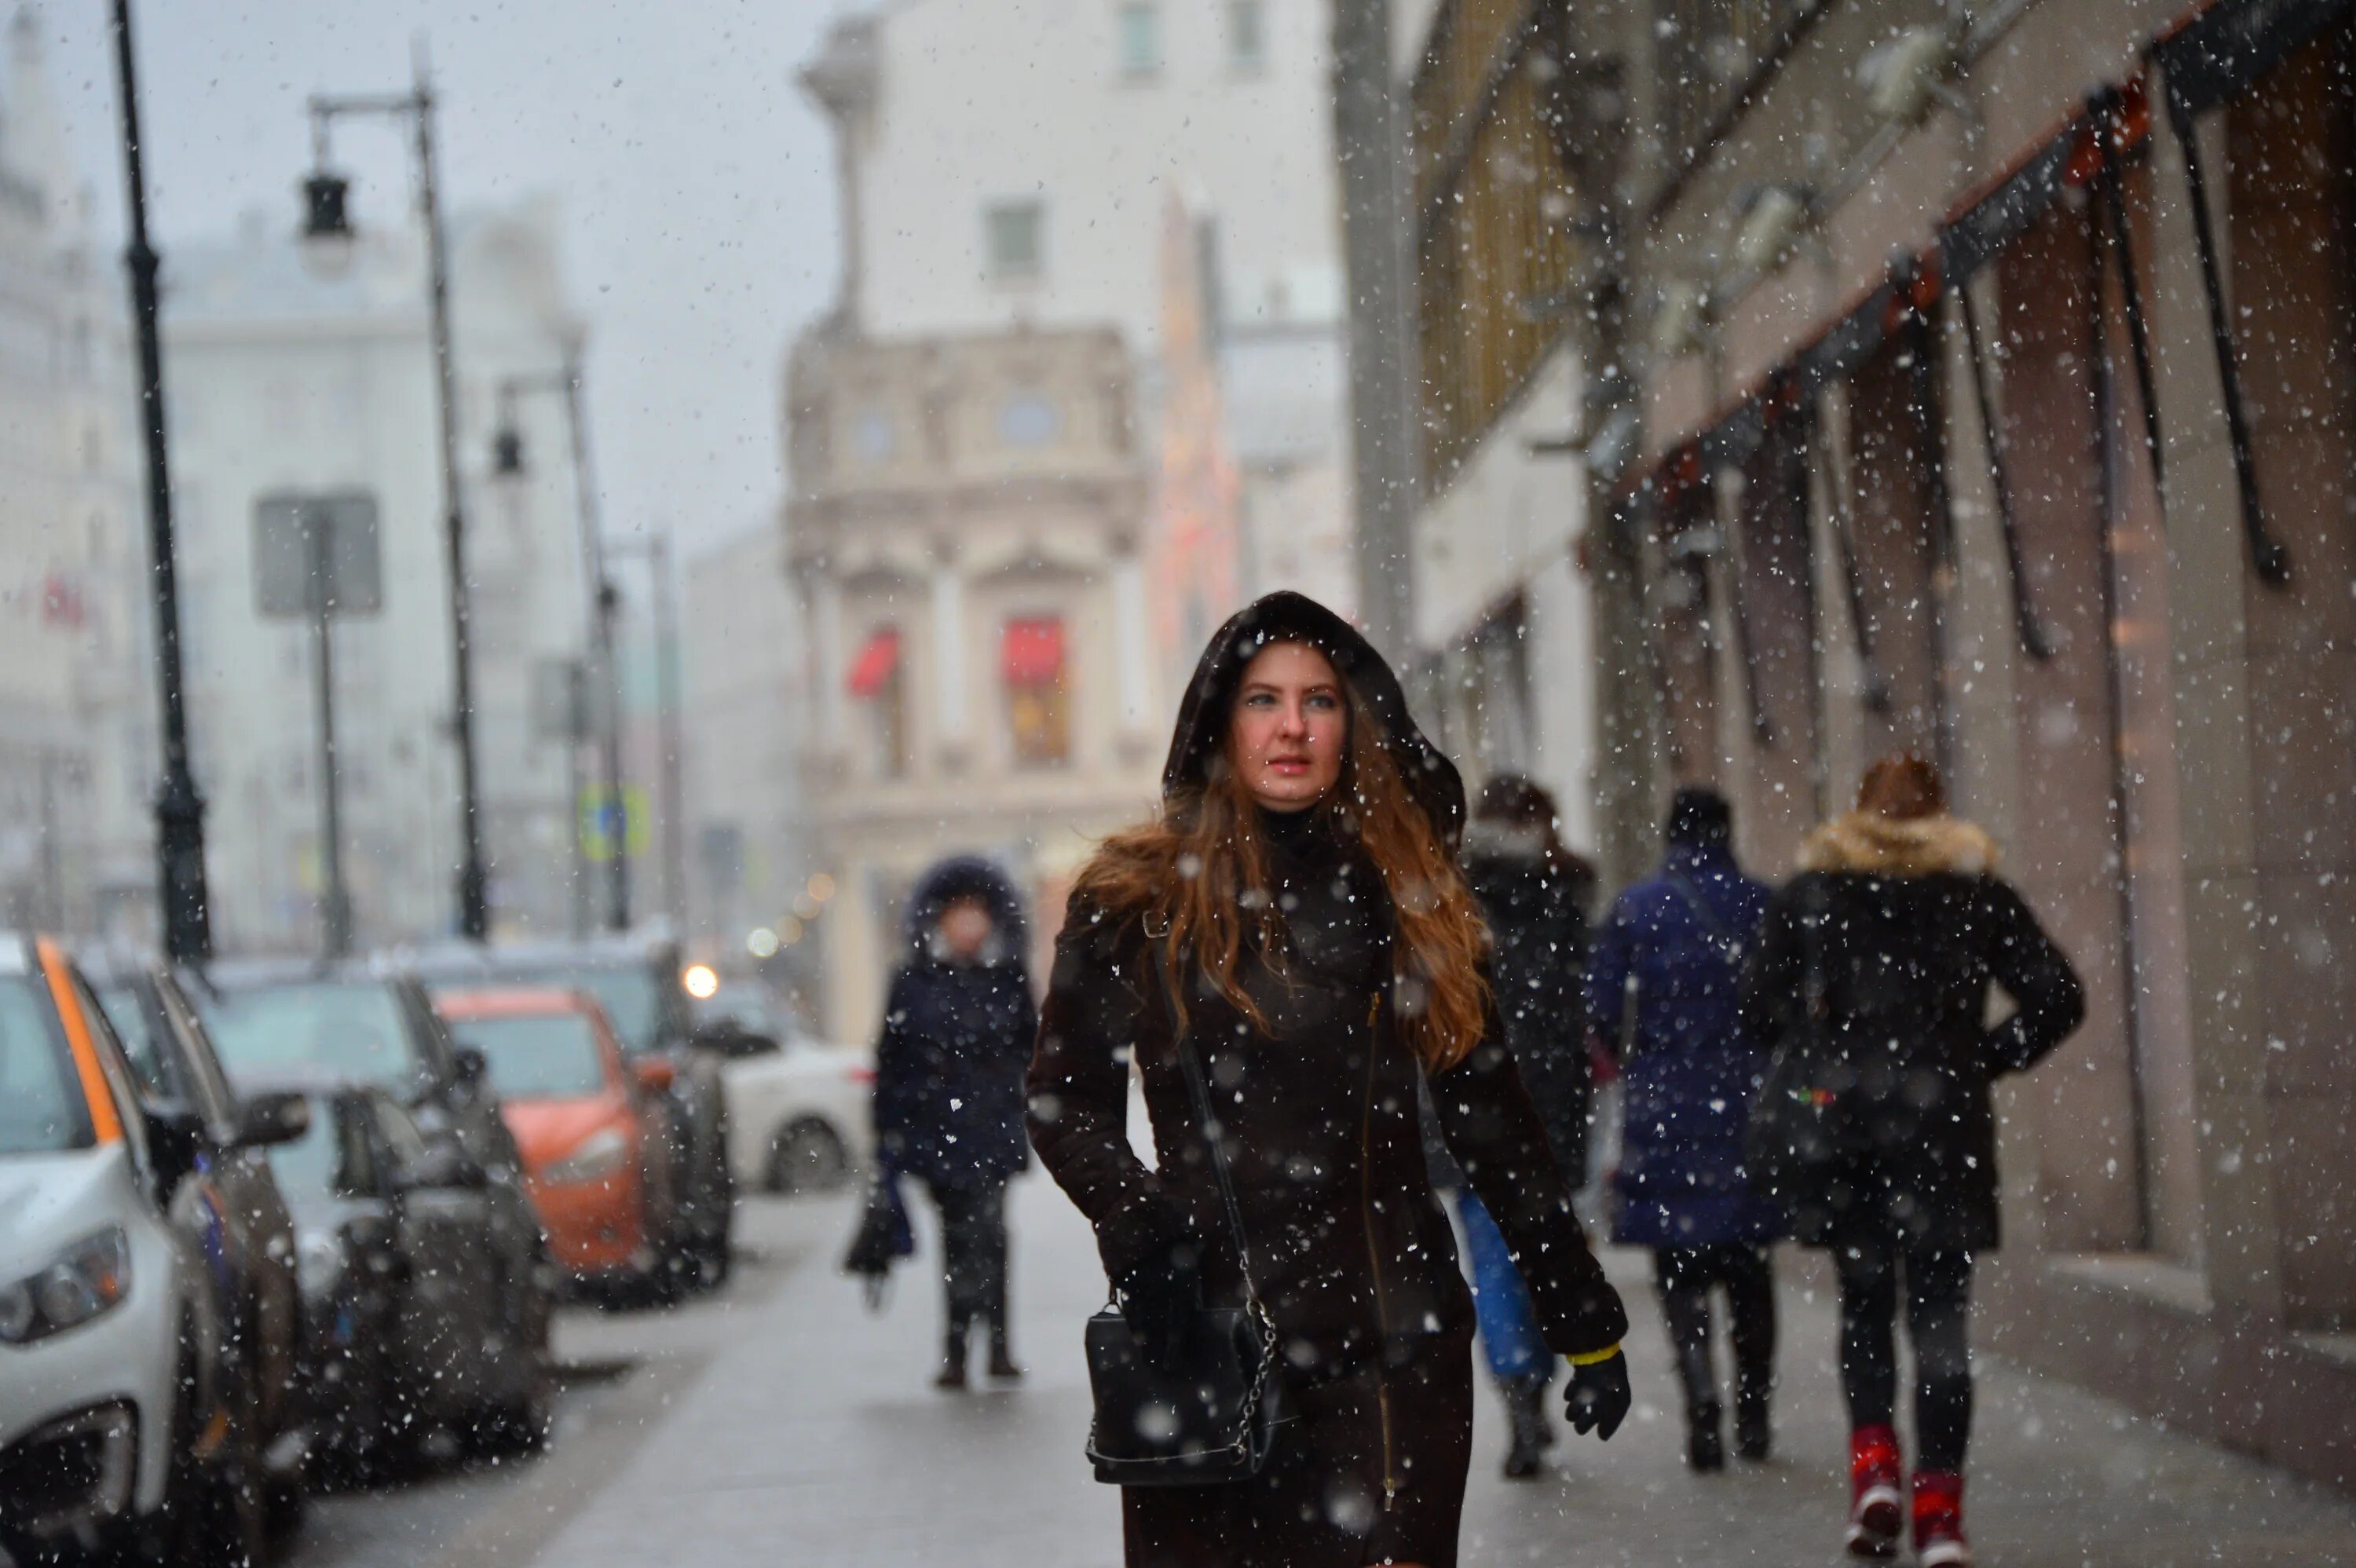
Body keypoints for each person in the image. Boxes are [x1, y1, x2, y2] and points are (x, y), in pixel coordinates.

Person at [1029, 591, 1630, 1568]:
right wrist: (1142, 1227)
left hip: (1392, 1353)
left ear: (1358, 719)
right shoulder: (1134, 897)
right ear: (1222, 719)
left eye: (1320, 700)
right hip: (1206, 1350)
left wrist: (1585, 1321)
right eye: (1265, 699)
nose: (1294, 727)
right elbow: (1064, 1107)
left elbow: (1493, 1123)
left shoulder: (1411, 893)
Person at [1740, 756, 2083, 1567]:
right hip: (1944, 1130)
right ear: (1941, 813)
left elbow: (1758, 1008)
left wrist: (1824, 1049)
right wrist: (1982, 1058)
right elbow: (2060, 995)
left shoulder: (1815, 891)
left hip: (1847, 1133)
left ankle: (1875, 1476)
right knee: (1941, 1324)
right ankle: (1940, 1518)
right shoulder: (1975, 891)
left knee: (1864, 1306)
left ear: (1857, 814)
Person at [1586, 786, 1784, 1473]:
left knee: (1680, 1266)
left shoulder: (1637, 908)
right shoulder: (1763, 903)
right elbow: (1789, 1004)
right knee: (1750, 1267)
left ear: (1671, 832)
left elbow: (1602, 1012)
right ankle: (1754, 1412)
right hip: (1748, 1111)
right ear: (1727, 830)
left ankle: (1702, 1402)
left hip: (1664, 1107)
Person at [1453, 773, 1598, 1479]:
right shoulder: (1567, 886)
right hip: (1550, 1106)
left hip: (1467, 1102)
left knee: (1494, 1264)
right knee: (1543, 1256)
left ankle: (1519, 1398)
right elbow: (1586, 999)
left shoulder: (1448, 887)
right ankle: (1533, 1380)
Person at [873, 856, 1037, 1390]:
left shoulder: (1007, 979)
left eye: (977, 914)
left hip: (991, 1130)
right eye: (958, 914)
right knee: (958, 1238)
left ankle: (998, 1346)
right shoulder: (914, 982)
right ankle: (957, 1349)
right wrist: (889, 1135)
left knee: (990, 1234)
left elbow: (1031, 1050)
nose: (969, 926)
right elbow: (892, 1060)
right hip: (937, 1133)